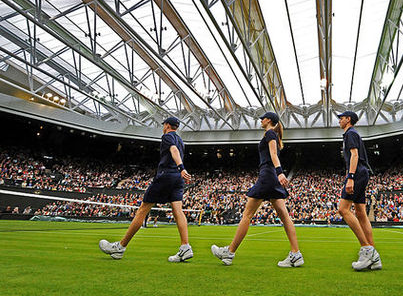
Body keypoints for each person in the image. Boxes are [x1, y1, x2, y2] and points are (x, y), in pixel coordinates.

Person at [211, 112, 303, 267]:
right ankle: (296, 254)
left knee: (247, 214)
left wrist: (280, 173)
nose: (260, 120)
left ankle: (229, 252)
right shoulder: (272, 134)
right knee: (284, 216)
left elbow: (273, 154)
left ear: (269, 120)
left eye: (263, 118)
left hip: (268, 175)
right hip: (271, 175)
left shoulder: (269, 133)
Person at [99, 117, 193, 262]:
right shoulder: (181, 140)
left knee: (143, 209)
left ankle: (120, 247)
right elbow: (176, 151)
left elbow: (173, 150)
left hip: (166, 176)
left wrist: (181, 167)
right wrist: (180, 171)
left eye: (164, 125)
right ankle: (185, 247)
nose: (163, 128)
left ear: (167, 125)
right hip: (177, 179)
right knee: (178, 211)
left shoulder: (167, 136)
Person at [336, 111, 381, 271]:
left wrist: (351, 177)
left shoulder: (350, 134)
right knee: (361, 212)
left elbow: (354, 155)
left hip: (357, 173)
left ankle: (367, 250)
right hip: (361, 173)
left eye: (341, 118)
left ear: (348, 120)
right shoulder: (351, 134)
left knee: (343, 209)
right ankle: (374, 255)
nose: (339, 121)